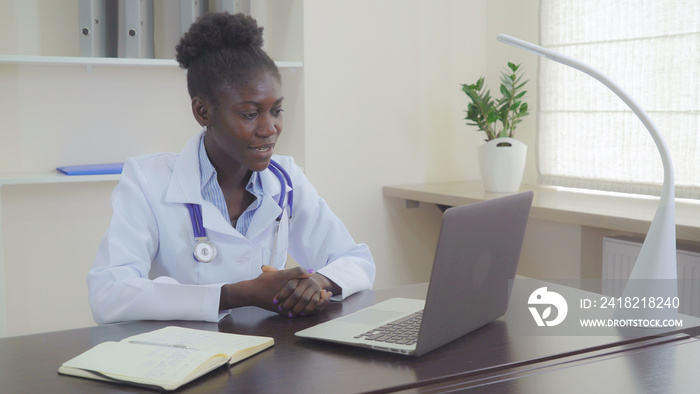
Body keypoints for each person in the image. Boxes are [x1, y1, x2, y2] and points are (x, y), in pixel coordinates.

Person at [87, 13, 375, 324]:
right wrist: (239, 294)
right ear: (202, 111)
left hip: (268, 355)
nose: (270, 128)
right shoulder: (148, 180)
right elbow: (109, 294)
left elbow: (355, 260)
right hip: (183, 357)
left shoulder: (285, 178)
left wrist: (316, 282)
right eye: (250, 114)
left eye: (276, 110)